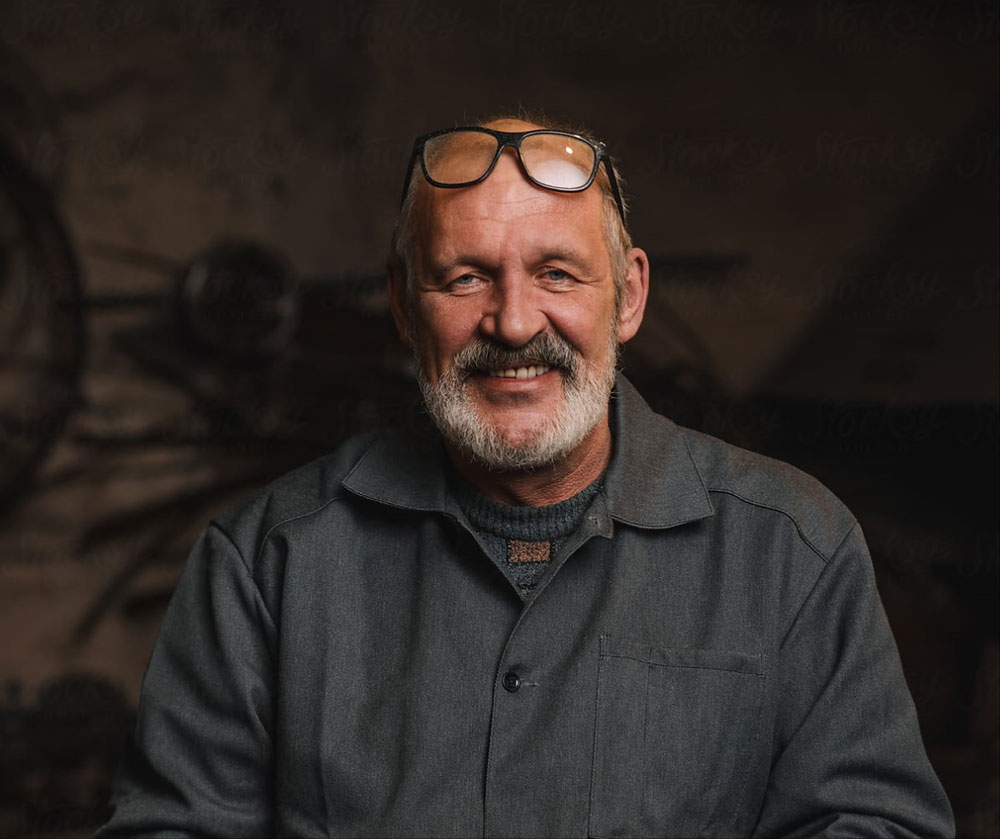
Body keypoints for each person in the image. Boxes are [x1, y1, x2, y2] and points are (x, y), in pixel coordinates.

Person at [99, 117, 954, 838]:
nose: (513, 323)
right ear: (403, 302)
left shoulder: (794, 549)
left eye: (556, 273)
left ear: (627, 294)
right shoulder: (266, 563)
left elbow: (874, 822)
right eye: (465, 276)